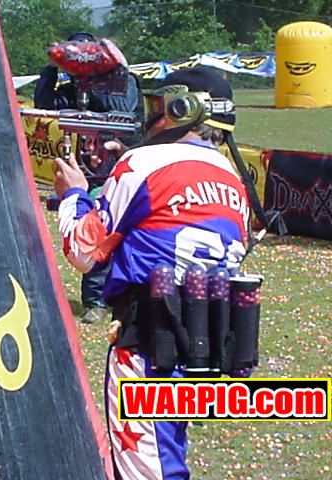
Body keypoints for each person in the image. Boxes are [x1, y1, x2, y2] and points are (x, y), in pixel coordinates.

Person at [53, 66, 248, 479]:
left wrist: (73, 194)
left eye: (162, 104)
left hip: (151, 344)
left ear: (183, 109)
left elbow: (84, 251)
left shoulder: (143, 163)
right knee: (167, 458)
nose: (153, 113)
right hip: (207, 344)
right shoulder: (234, 179)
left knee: (151, 471)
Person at [34, 32, 143, 324]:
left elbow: (124, 114)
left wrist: (102, 81)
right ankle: (95, 300)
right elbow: (45, 104)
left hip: (122, 162)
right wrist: (52, 69)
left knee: (122, 229)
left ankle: (123, 295)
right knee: (94, 228)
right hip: (88, 168)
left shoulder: (122, 83)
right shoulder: (71, 89)